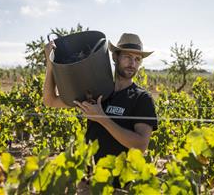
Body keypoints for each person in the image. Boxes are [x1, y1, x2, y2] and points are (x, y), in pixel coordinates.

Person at [43, 33, 158, 190]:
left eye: (137, 59)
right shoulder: (97, 89)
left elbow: (140, 145)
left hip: (121, 186)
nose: (132, 63)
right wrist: (51, 65)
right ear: (114, 57)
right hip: (89, 180)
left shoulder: (142, 98)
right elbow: (50, 100)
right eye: (127, 57)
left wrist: (102, 118)